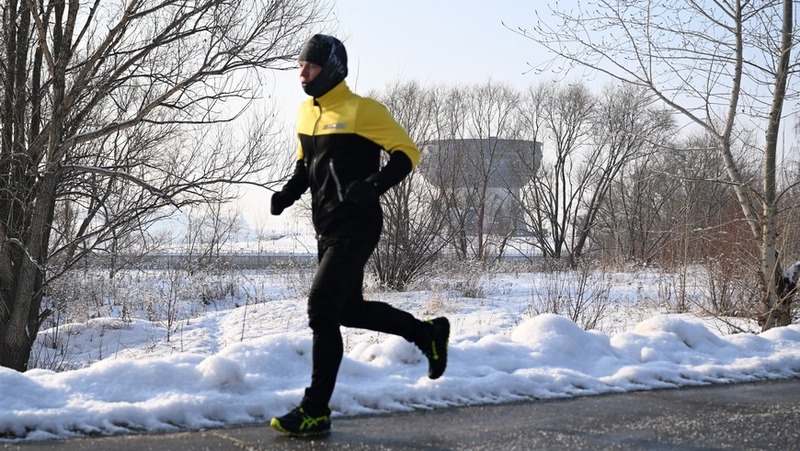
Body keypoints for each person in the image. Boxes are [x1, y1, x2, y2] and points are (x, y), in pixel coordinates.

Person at [268, 34, 450, 437]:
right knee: (346, 310)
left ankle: (315, 409)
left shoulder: (363, 110)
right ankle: (427, 333)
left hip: (358, 223)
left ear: (332, 69)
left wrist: (375, 184)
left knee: (320, 309)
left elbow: (407, 152)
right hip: (326, 226)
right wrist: (287, 194)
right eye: (300, 66)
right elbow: (305, 168)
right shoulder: (305, 113)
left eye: (311, 67)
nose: (303, 73)